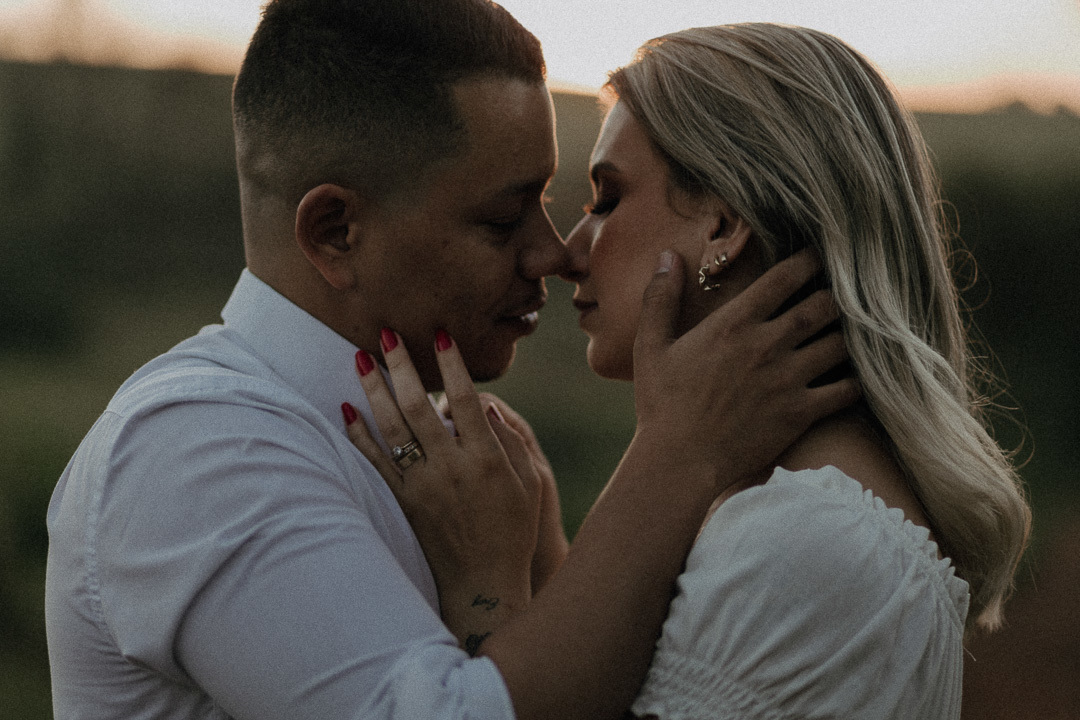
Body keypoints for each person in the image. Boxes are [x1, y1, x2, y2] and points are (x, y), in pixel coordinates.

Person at [44, 3, 856, 719]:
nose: (551, 253)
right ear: (335, 233)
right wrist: (677, 453)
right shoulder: (199, 449)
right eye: (503, 221)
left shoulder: (462, 458)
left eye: (551, 202)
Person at [347, 23, 1032, 720]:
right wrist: (550, 559)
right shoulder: (780, 513)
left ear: (723, 227)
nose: (569, 253)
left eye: (606, 199)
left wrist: (486, 582)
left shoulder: (806, 540)